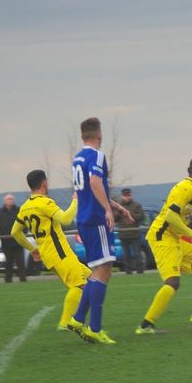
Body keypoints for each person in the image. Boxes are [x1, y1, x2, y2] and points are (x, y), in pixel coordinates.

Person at [137, 157, 192, 334]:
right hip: (162, 237)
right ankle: (145, 326)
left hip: (173, 238)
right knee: (173, 282)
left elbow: (178, 219)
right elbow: (170, 217)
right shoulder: (186, 188)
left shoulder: (188, 188)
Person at [11, 170, 97, 337]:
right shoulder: (45, 202)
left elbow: (15, 232)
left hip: (48, 255)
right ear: (44, 183)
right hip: (60, 253)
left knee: (92, 279)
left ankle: (85, 319)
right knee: (79, 285)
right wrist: (75, 200)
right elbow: (66, 219)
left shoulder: (25, 207)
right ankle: (66, 323)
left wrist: (32, 249)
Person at [69, 117, 132, 345]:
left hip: (84, 219)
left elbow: (89, 190)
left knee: (97, 271)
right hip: (96, 219)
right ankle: (95, 328)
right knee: (104, 270)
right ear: (99, 135)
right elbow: (95, 183)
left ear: (82, 135)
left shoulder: (78, 158)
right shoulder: (97, 155)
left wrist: (117, 207)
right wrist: (107, 209)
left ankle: (78, 319)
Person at [0, 194, 26, 283]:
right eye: (8, 199)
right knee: (8, 262)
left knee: (20, 262)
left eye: (11, 199)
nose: (10, 201)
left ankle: (23, 280)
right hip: (6, 242)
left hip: (18, 241)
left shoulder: (19, 210)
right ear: (4, 201)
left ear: (14, 200)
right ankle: (8, 281)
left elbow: (25, 222)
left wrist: (24, 232)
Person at [116, 188, 146, 275]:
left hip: (134, 234)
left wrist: (129, 214)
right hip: (123, 235)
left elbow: (141, 217)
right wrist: (119, 212)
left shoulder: (137, 205)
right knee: (126, 255)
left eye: (128, 195)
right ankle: (128, 271)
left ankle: (140, 271)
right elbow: (114, 218)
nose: (127, 197)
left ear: (131, 195)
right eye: (125, 196)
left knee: (137, 254)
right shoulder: (118, 206)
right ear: (122, 196)